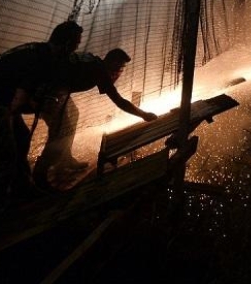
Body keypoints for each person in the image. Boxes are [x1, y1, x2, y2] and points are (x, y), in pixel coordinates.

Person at [0, 21, 83, 222]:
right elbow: (19, 100)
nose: (77, 48)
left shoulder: (39, 51)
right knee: (3, 157)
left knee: (21, 136)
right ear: (66, 43)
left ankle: (22, 187)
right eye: (76, 43)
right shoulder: (43, 61)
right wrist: (30, 111)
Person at [32, 48, 158, 191]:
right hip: (49, 90)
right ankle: (40, 174)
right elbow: (119, 101)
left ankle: (65, 160)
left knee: (73, 115)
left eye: (121, 68)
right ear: (110, 62)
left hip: (59, 88)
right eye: (119, 67)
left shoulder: (96, 64)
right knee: (60, 131)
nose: (119, 71)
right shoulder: (100, 71)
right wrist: (144, 115)